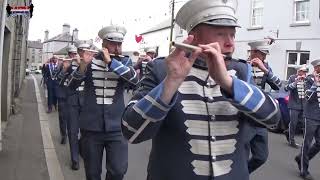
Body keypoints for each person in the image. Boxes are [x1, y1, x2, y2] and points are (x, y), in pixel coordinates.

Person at [121, 0, 279, 179]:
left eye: (232, 35)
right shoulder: (161, 69)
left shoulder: (242, 71)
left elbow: (273, 118)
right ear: (193, 39)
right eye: (221, 34)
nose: (230, 44)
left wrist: (228, 83)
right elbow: (131, 132)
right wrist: (171, 83)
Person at [68, 25, 139, 180]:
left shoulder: (124, 62)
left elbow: (135, 81)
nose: (117, 48)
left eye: (120, 44)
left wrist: (111, 63)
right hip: (91, 128)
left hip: (117, 127)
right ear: (104, 44)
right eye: (113, 44)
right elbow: (71, 86)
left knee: (118, 171)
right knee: (92, 174)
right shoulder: (90, 60)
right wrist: (82, 66)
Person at [246, 39, 282, 173]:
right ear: (254, 52)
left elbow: (279, 86)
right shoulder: (242, 65)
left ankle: (243, 172)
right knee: (240, 155)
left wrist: (265, 70)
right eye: (263, 54)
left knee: (261, 157)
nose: (265, 57)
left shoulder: (266, 67)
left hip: (259, 120)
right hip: (243, 117)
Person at [294, 59, 320, 180]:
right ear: (317, 68)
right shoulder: (309, 79)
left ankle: (301, 158)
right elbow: (307, 97)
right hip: (310, 116)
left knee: (319, 143)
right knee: (307, 143)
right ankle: (304, 170)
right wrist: (316, 83)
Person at [284, 66, 309, 148]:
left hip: (304, 105)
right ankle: (291, 141)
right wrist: (295, 82)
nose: (304, 73)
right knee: (293, 123)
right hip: (294, 105)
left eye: (305, 71)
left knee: (302, 124)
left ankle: (288, 132)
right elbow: (286, 88)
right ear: (298, 71)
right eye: (302, 71)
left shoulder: (307, 79)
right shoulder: (292, 77)